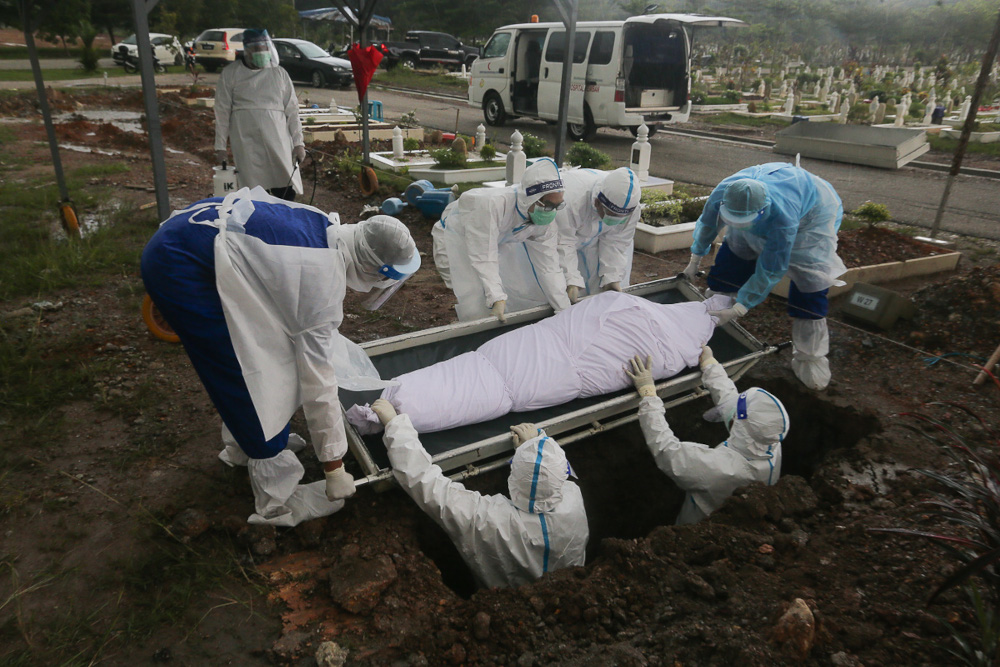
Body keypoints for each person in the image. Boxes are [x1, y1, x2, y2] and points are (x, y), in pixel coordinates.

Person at [141, 186, 421, 527]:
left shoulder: (328, 228)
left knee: (266, 353)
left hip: (193, 236)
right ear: (374, 270)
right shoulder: (322, 283)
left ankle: (246, 442)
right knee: (239, 370)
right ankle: (278, 501)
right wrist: (334, 466)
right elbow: (319, 383)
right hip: (180, 265)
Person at [347, 291, 735, 435]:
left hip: (542, 364)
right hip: (539, 355)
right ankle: (394, 408)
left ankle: (395, 404)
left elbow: (599, 310)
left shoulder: (652, 319)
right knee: (480, 379)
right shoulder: (676, 344)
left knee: (479, 379)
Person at [371, 399, 588, 588]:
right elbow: (553, 473)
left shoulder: (488, 519)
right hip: (563, 599)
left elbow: (423, 481)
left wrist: (394, 423)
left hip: (500, 604)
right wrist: (535, 446)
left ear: (514, 476)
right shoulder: (573, 499)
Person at [681, 161, 847, 390]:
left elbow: (771, 267)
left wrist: (742, 306)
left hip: (811, 216)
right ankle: (715, 327)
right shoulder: (724, 192)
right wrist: (695, 259)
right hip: (763, 202)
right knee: (732, 263)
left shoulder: (784, 218)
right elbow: (708, 224)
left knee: (809, 283)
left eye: (744, 221)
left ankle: (810, 357)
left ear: (761, 212)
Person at [625, 346, 790, 524]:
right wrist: (711, 366)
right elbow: (732, 404)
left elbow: (667, 451)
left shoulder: (720, 468)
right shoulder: (768, 440)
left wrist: (649, 397)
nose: (732, 416)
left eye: (736, 417)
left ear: (740, 426)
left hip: (700, 525)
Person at [437, 158, 571, 321]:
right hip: (458, 235)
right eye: (549, 205)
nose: (552, 212)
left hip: (497, 239)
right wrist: (496, 297)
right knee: (474, 296)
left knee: (511, 286)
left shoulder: (542, 219)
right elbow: (484, 256)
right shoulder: (491, 206)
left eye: (557, 206)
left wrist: (564, 308)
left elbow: (548, 264)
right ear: (530, 198)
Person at [214, 29, 306, 202]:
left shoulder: (279, 74)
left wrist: (298, 143)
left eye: (264, 48)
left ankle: (284, 220)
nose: (261, 53)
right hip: (245, 138)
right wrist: (220, 146)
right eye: (257, 49)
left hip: (277, 138)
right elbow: (222, 110)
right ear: (246, 51)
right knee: (252, 187)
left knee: (283, 182)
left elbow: (292, 111)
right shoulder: (230, 74)